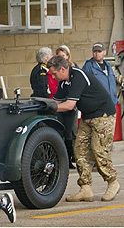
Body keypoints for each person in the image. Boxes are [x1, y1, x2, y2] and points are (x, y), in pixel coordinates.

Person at [47, 55, 120, 202]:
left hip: (103, 115)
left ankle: (113, 182)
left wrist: (49, 109)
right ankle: (85, 188)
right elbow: (55, 102)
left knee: (98, 150)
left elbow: (68, 105)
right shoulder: (63, 83)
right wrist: (44, 106)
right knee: (79, 150)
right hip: (88, 116)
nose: (53, 77)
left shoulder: (78, 76)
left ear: (62, 69)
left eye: (54, 73)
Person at [55, 45, 78, 169]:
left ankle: (72, 157)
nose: (61, 58)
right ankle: (65, 160)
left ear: (68, 56)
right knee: (62, 133)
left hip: (70, 105)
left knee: (71, 133)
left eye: (63, 56)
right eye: (59, 56)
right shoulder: (56, 71)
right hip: (61, 105)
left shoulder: (73, 70)